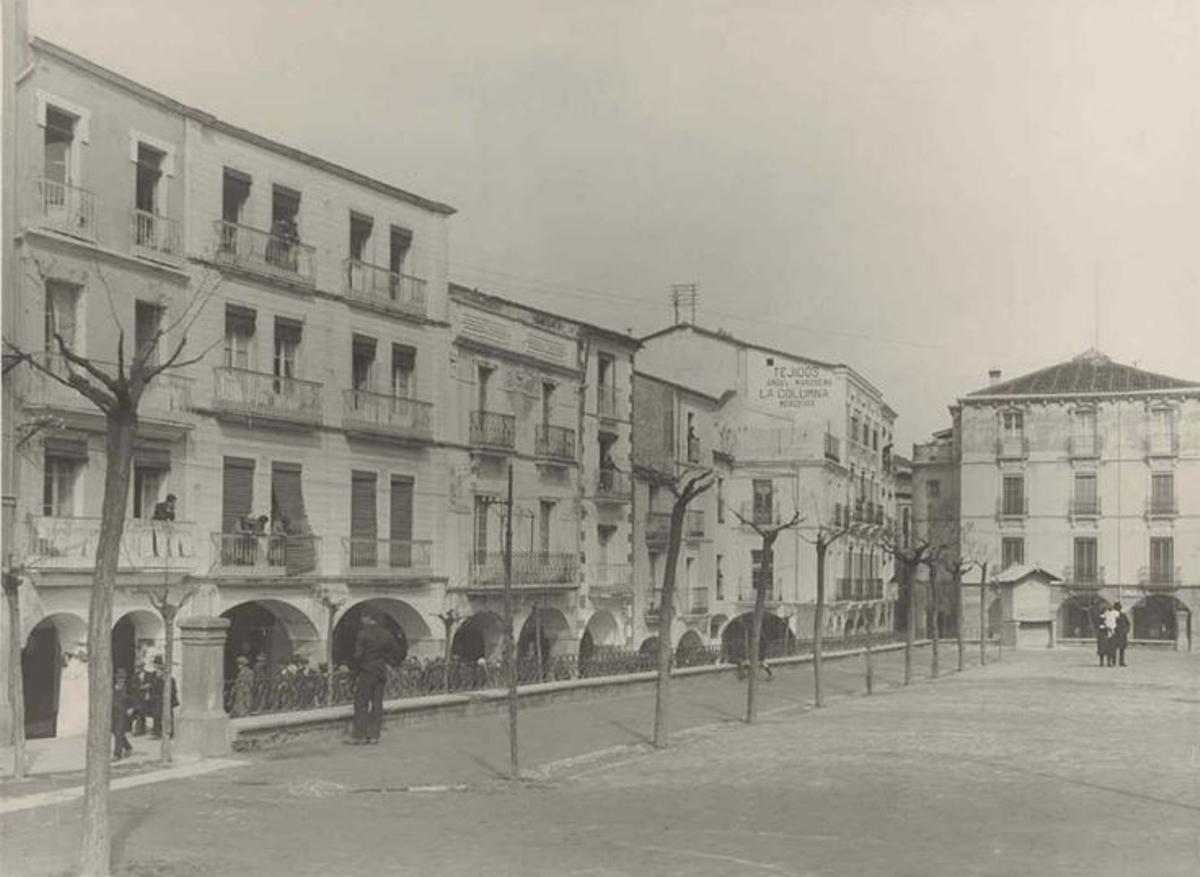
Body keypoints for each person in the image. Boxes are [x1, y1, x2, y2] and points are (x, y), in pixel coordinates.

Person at [349, 611, 399, 745]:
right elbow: (396, 652)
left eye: (362, 617)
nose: (361, 620)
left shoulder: (363, 634)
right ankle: (374, 735)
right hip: (381, 671)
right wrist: (388, 662)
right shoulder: (387, 634)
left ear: (368, 618)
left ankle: (360, 735)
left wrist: (354, 670)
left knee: (361, 703)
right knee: (377, 704)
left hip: (366, 671)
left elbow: (358, 655)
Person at [112, 670, 134, 760]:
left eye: (122, 678)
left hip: (123, 713)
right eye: (119, 678)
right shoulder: (112, 688)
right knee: (115, 732)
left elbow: (134, 698)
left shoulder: (128, 689)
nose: (121, 680)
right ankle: (128, 747)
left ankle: (117, 754)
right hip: (113, 713)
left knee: (119, 732)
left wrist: (132, 708)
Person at [1113, 602, 1130, 667]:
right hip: (1115, 634)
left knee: (1122, 649)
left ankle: (1121, 662)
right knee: (1113, 648)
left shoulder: (1123, 615)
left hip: (1122, 634)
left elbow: (1128, 623)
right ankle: (1114, 662)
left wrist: (1126, 630)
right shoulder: (1112, 615)